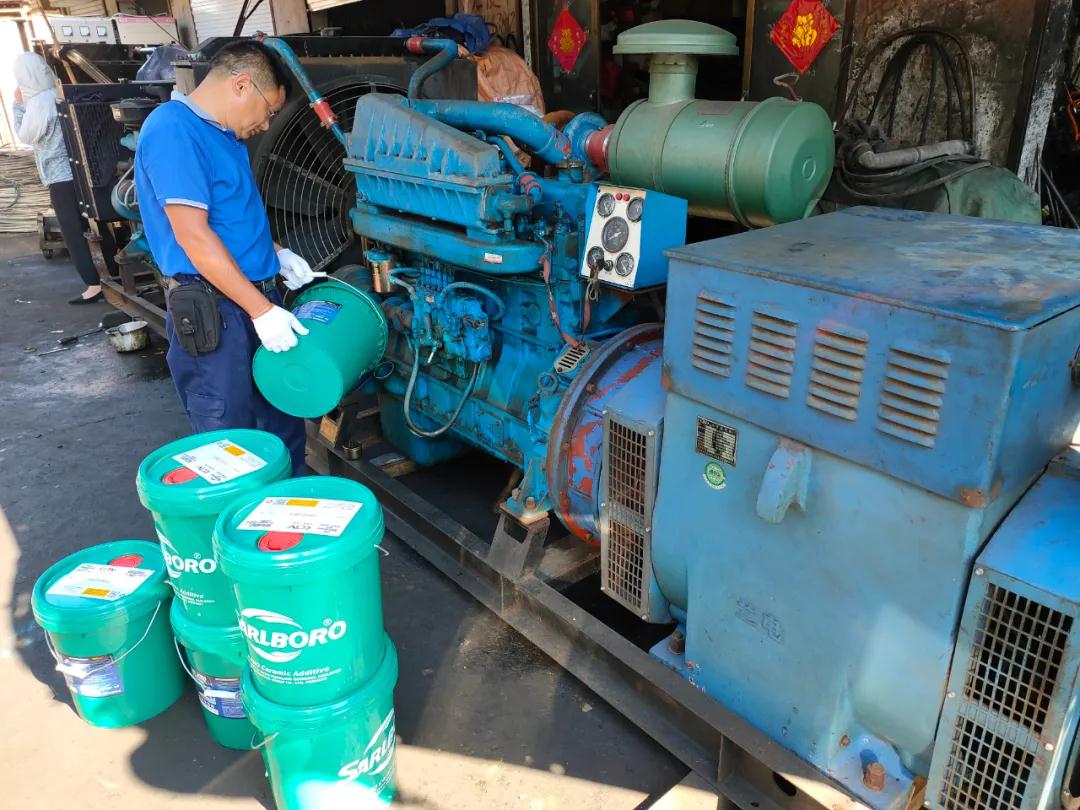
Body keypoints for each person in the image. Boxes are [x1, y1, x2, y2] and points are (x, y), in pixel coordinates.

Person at [134, 41, 315, 475]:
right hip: (216, 311)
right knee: (231, 443)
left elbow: (229, 218)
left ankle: (287, 509)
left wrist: (276, 254)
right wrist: (261, 311)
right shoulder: (174, 131)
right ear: (241, 85)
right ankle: (243, 517)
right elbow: (194, 237)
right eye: (268, 111)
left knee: (282, 426)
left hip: (253, 302)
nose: (266, 124)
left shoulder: (224, 135)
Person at [12, 52, 102, 304]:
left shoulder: (38, 104)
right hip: (79, 172)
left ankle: (93, 284)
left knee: (72, 231)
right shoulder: (58, 94)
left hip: (60, 177)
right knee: (92, 224)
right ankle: (107, 274)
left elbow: (25, 135)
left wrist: (17, 105)